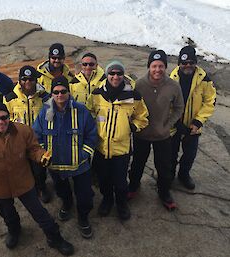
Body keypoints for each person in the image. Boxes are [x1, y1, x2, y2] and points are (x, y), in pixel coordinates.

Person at [0, 103, 74, 256]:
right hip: (0, 186)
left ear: (9, 117)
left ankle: (55, 237)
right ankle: (14, 230)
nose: (1, 122)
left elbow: (33, 149)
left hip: (24, 182)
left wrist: (41, 156)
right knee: (7, 214)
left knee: (40, 213)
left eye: (4, 117)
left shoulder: (23, 131)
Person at [33, 76, 97, 239]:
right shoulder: (44, 112)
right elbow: (36, 136)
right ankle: (67, 204)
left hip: (80, 166)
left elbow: (91, 134)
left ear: (68, 92)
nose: (60, 95)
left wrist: (83, 154)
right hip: (56, 167)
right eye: (56, 92)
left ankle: (83, 217)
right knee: (62, 191)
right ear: (52, 94)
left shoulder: (81, 111)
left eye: (63, 91)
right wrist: (43, 153)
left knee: (85, 196)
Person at [86, 60, 149, 220]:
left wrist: (132, 127)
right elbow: (88, 112)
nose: (115, 77)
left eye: (119, 73)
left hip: (122, 149)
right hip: (101, 148)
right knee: (104, 179)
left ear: (123, 75)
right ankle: (107, 200)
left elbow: (143, 118)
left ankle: (121, 203)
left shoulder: (133, 96)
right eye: (112, 73)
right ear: (107, 75)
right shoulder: (97, 94)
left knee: (120, 182)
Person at [127, 50, 184, 210]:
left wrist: (168, 124)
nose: (157, 69)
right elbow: (132, 107)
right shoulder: (139, 84)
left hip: (163, 135)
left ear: (165, 67)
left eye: (161, 66)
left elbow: (179, 108)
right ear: (149, 67)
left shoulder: (173, 86)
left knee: (164, 166)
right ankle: (133, 187)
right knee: (137, 163)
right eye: (154, 66)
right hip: (142, 134)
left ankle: (164, 192)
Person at [170, 46, 216, 189]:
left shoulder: (205, 80)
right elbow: (166, 103)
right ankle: (169, 176)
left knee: (189, 155)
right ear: (179, 63)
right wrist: (175, 121)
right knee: (171, 154)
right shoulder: (171, 79)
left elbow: (210, 101)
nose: (188, 65)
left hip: (193, 127)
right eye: (184, 62)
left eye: (191, 62)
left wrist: (198, 122)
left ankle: (184, 175)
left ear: (195, 62)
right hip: (174, 125)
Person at [4, 65, 51, 203]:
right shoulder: (10, 98)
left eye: (31, 79)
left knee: (39, 169)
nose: (28, 82)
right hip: (18, 140)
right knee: (23, 168)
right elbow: (6, 120)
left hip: (37, 142)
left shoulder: (45, 97)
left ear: (36, 80)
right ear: (19, 81)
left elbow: (50, 118)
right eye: (24, 79)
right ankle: (30, 189)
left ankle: (42, 187)